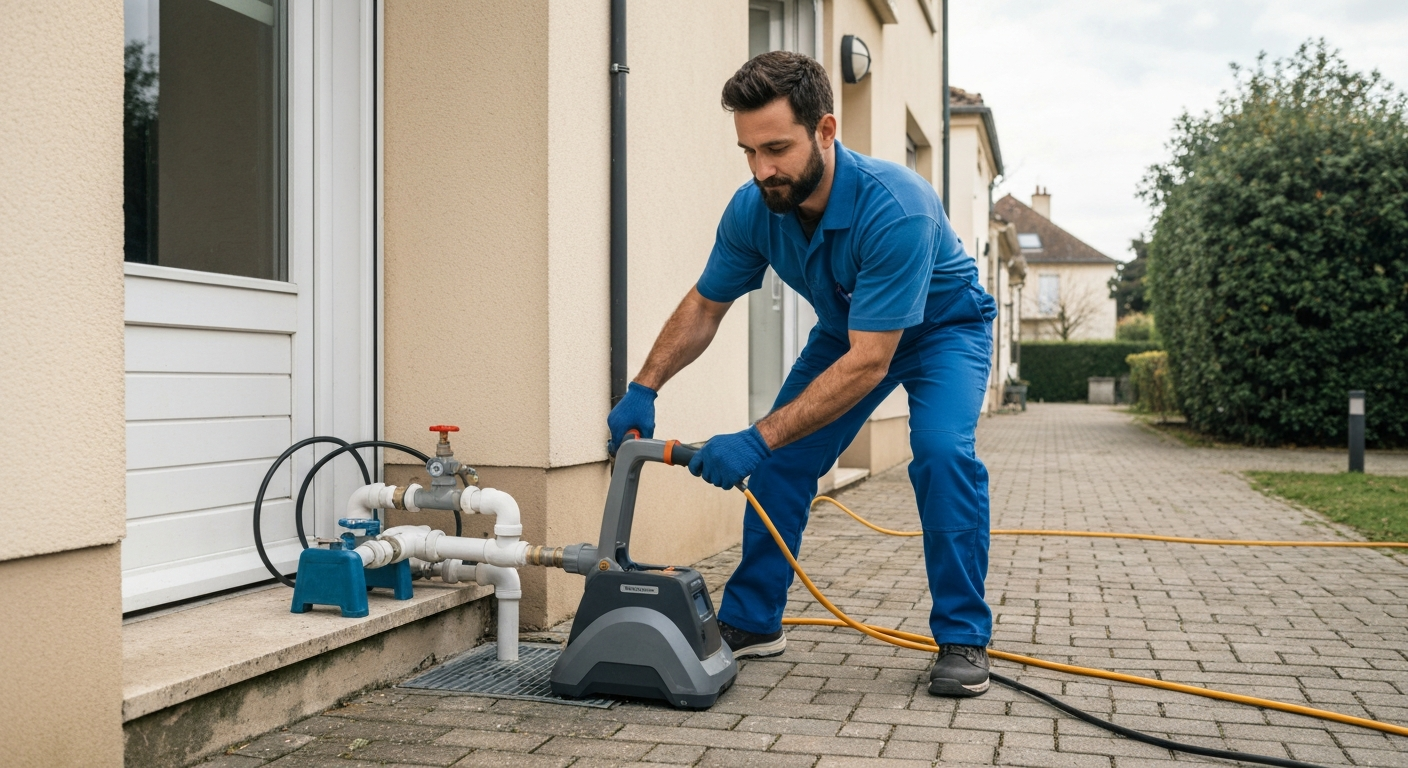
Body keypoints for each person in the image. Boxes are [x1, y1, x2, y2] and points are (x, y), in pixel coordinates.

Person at [606, 51, 997, 697]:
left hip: (943, 332)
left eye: (777, 148)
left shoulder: (897, 206)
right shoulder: (755, 208)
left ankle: (963, 635)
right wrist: (644, 386)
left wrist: (756, 436)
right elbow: (705, 304)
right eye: (749, 151)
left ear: (825, 130)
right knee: (782, 463)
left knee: (941, 454)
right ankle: (753, 620)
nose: (762, 169)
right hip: (848, 331)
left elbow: (871, 361)